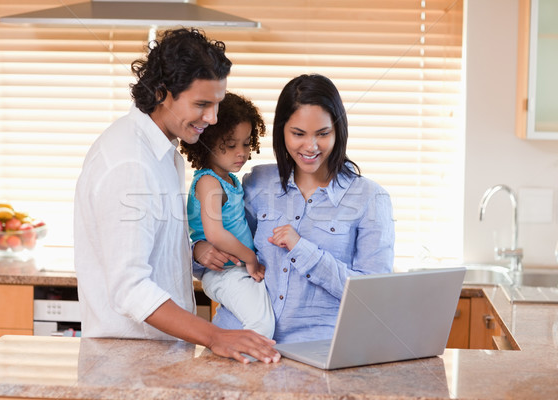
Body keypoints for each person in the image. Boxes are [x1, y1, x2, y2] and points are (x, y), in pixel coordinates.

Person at [73, 27, 280, 364]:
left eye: (216, 104)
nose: (212, 118)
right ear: (161, 93)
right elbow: (130, 289)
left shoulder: (164, 150)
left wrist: (196, 250)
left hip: (161, 355)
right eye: (202, 104)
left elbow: (154, 247)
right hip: (130, 364)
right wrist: (215, 336)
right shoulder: (130, 162)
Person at [194, 74, 395, 344]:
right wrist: (198, 251)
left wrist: (303, 250)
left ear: (338, 131)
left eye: (323, 134)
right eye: (298, 134)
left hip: (314, 353)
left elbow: (374, 297)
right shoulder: (256, 183)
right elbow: (226, 244)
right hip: (236, 341)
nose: (310, 146)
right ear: (282, 132)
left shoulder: (370, 198)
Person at [180, 92, 275, 339]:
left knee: (262, 320)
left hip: (235, 269)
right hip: (224, 271)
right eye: (231, 145)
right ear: (207, 143)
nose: (241, 152)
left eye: (246, 143)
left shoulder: (228, 179)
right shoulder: (209, 182)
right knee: (261, 326)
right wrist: (250, 257)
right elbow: (215, 234)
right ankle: (246, 371)